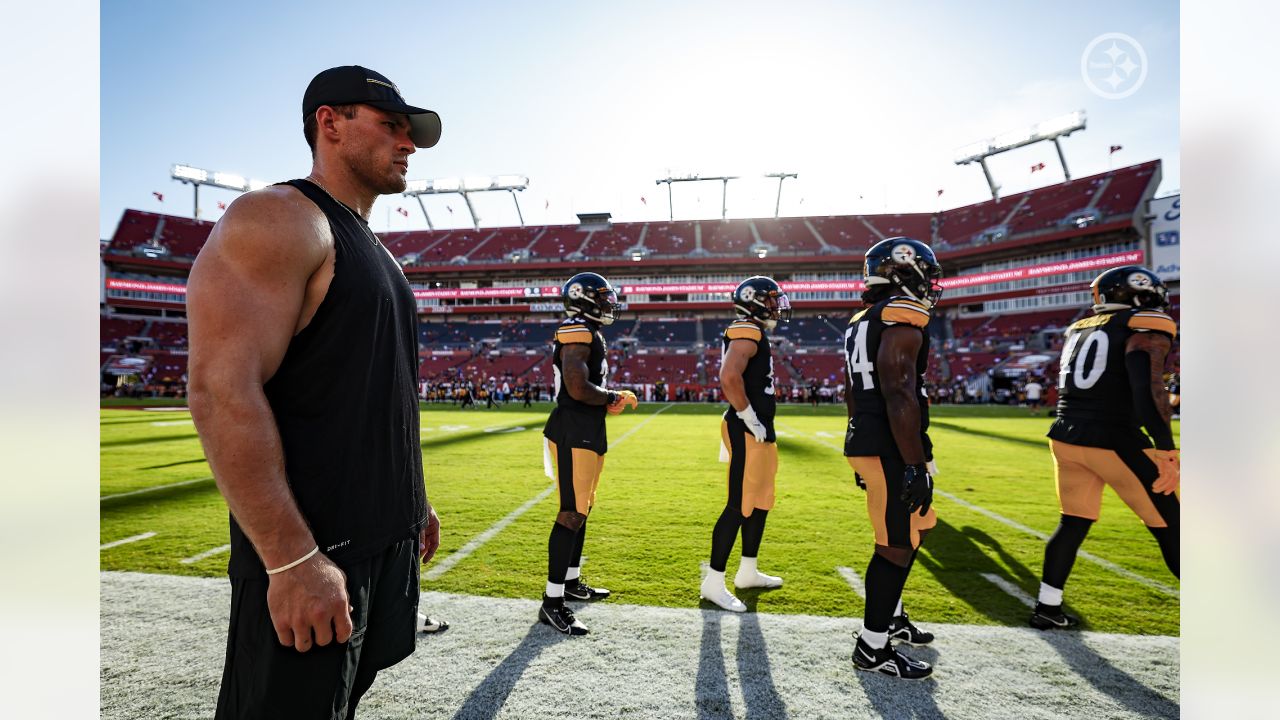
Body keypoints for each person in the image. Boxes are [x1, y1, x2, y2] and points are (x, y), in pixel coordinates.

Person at [187, 65, 443, 719]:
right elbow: (222, 392)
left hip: (381, 542)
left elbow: (369, 390)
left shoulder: (374, 249)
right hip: (314, 550)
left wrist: (412, 502)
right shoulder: (279, 218)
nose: (407, 143)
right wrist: (291, 558)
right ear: (330, 123)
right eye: (390, 125)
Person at [1032, 265, 1179, 629]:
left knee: (1073, 522)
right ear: (1142, 295)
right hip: (1113, 438)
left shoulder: (1080, 328)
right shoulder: (1143, 325)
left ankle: (1047, 608)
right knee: (1174, 526)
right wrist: (1165, 449)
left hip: (1065, 435)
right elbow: (1147, 389)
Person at [843, 237, 944, 679]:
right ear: (904, 270)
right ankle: (872, 647)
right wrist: (913, 463)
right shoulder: (901, 314)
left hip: (872, 438)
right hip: (888, 443)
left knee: (913, 530)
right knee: (895, 544)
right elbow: (899, 389)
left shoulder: (863, 319)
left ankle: (892, 618)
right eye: (925, 270)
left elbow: (852, 391)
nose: (930, 281)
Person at [539, 272, 638, 635]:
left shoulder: (589, 331)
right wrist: (612, 396)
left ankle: (570, 582)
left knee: (583, 508)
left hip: (588, 428)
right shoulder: (576, 331)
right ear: (584, 299)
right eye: (603, 296)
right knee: (570, 513)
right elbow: (577, 386)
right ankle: (552, 602)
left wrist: (608, 397)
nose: (609, 302)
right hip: (572, 429)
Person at [701, 277, 792, 612]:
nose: (775, 306)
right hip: (746, 429)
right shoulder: (746, 330)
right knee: (739, 504)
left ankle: (748, 572)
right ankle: (713, 582)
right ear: (753, 302)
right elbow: (729, 377)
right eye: (770, 300)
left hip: (760, 429)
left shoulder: (754, 330)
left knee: (762, 500)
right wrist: (748, 415)